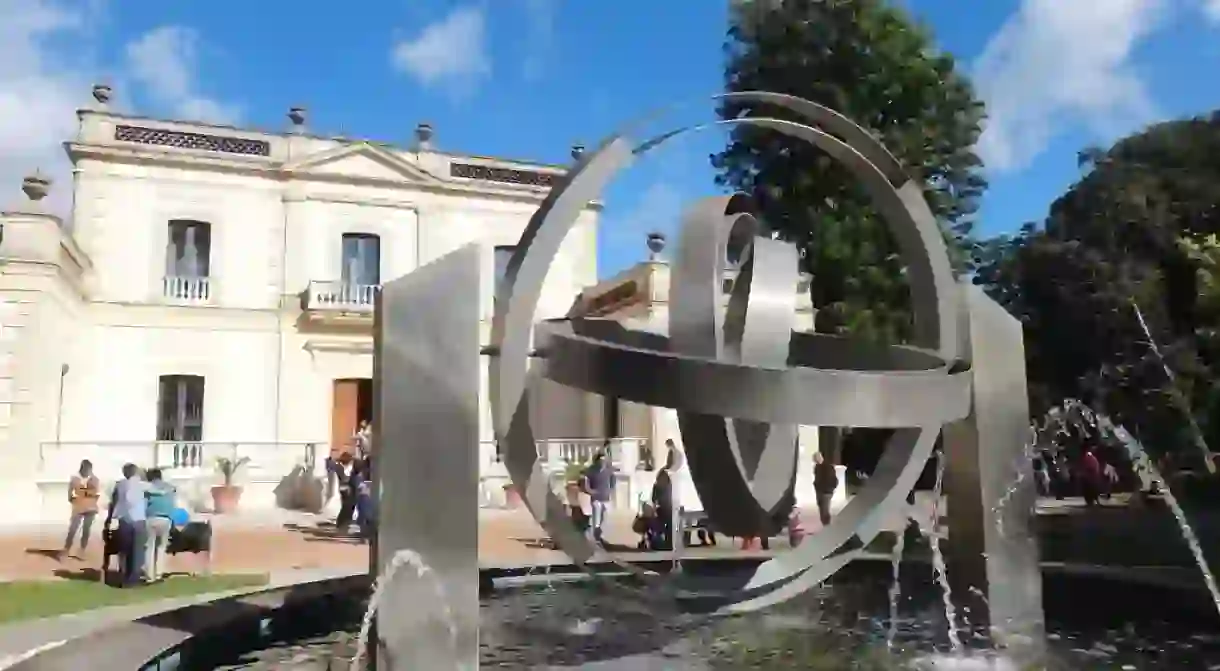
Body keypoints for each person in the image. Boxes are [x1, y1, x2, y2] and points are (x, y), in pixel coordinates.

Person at [105, 463, 148, 587]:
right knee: (138, 551)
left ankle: (124, 576)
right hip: (139, 520)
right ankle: (133, 578)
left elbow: (113, 502)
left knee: (125, 550)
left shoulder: (120, 485)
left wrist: (110, 518)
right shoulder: (142, 484)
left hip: (124, 519)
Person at [143, 468, 177, 582]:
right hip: (166, 518)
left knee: (149, 547)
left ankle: (149, 576)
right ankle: (159, 573)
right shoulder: (170, 488)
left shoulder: (147, 487)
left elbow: (144, 504)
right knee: (161, 547)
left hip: (151, 517)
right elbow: (173, 504)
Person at [62, 459, 100, 559]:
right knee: (73, 528)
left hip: (90, 507)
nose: (88, 471)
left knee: (86, 529)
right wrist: (75, 501)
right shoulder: (75, 479)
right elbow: (70, 494)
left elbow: (96, 494)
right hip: (79, 507)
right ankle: (67, 548)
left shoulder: (94, 479)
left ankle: (82, 549)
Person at [581, 451, 615, 544]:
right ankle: (595, 534)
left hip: (606, 497)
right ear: (596, 461)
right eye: (601, 460)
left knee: (604, 516)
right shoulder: (591, 470)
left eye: (604, 460)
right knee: (596, 515)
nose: (602, 462)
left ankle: (598, 533)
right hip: (596, 497)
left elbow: (613, 480)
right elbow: (586, 483)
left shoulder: (608, 470)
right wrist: (590, 491)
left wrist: (611, 490)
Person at [650, 440, 677, 551]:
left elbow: (656, 489)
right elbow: (658, 488)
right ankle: (667, 543)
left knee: (664, 524)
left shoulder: (666, 472)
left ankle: (664, 542)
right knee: (667, 524)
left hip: (665, 504)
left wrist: (655, 501)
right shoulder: (668, 473)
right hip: (666, 504)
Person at [328, 452, 359, 530]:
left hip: (345, 488)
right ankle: (342, 523)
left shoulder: (341, 467)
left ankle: (344, 522)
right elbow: (344, 478)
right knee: (347, 506)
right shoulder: (340, 467)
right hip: (345, 488)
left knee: (348, 506)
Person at [813, 450, 839, 527]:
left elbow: (834, 479)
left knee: (825, 509)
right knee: (821, 508)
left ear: (820, 457)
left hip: (827, 491)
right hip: (819, 491)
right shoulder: (817, 467)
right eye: (814, 459)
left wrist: (831, 488)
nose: (815, 461)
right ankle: (825, 524)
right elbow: (817, 478)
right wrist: (816, 485)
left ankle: (827, 525)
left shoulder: (828, 466)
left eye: (816, 459)